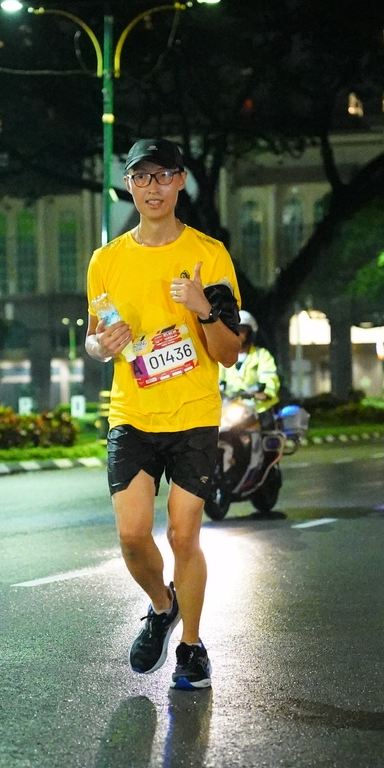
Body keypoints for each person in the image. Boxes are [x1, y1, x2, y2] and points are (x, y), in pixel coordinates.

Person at [85, 137, 241, 690]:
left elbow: (229, 352)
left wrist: (204, 311)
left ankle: (192, 647)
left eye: (164, 175)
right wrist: (101, 346)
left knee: (182, 535)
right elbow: (95, 339)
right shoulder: (106, 260)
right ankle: (161, 605)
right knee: (132, 537)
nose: (153, 187)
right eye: (141, 177)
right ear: (128, 185)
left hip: (193, 413)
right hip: (132, 414)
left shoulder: (209, 255)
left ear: (180, 182)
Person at [219, 310, 280, 411]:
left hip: (257, 408)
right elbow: (215, 379)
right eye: (234, 330)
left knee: (266, 419)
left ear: (250, 333)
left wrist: (265, 393)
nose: (237, 334)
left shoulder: (261, 355)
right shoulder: (223, 356)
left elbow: (269, 377)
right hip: (229, 407)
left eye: (242, 330)